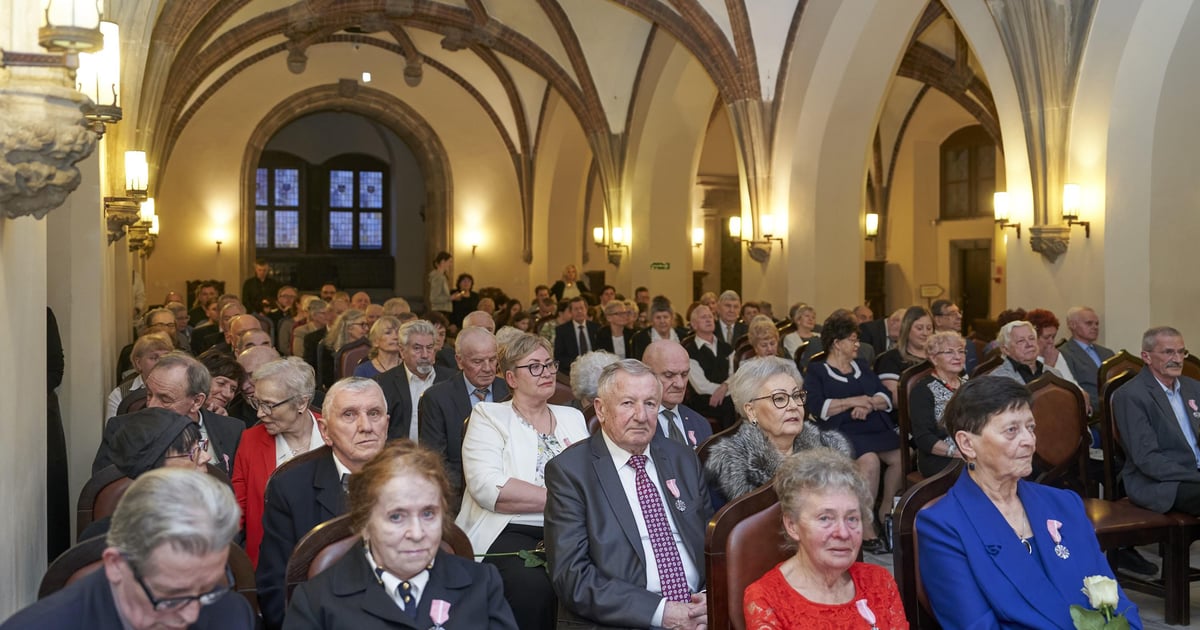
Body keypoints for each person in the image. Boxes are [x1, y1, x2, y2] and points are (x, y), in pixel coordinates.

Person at [917, 376, 1142, 629]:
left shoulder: (1064, 505)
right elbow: (975, 625)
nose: (1029, 441)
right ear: (968, 444)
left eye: (1030, 427)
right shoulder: (944, 525)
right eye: (1012, 430)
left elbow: (1116, 601)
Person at [545, 360, 710, 628]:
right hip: (624, 619)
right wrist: (661, 612)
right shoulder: (570, 472)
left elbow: (710, 546)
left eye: (650, 404)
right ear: (600, 409)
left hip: (700, 614)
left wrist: (708, 599)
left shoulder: (683, 460)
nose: (641, 416)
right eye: (627, 403)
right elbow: (572, 576)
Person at [285, 440, 519, 629]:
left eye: (428, 514)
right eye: (396, 516)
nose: (417, 533)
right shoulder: (316, 601)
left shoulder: (482, 585)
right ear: (365, 523)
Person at [2, 468, 254, 629]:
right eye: (172, 595)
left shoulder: (231, 615)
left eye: (209, 588)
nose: (191, 615)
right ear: (115, 564)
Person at [456, 334, 589, 630]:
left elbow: (594, 481)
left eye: (549, 364)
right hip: (508, 529)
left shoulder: (573, 417)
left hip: (572, 529)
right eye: (534, 367)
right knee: (534, 586)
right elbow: (489, 488)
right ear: (511, 378)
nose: (547, 373)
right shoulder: (489, 416)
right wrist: (567, 499)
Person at [256, 377, 390, 630]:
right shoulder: (290, 487)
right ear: (326, 432)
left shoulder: (416, 478)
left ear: (387, 423)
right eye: (350, 415)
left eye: (374, 413)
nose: (366, 426)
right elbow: (276, 589)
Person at [743, 448, 907, 629]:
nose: (843, 533)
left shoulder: (880, 582)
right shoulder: (766, 599)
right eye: (825, 518)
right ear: (792, 525)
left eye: (852, 518)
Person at [804, 314, 899, 554]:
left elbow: (884, 397)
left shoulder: (861, 367)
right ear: (837, 343)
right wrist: (850, 402)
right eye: (853, 340)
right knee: (870, 461)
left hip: (871, 425)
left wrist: (866, 404)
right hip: (840, 430)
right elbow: (817, 407)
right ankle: (865, 523)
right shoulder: (818, 371)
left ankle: (885, 509)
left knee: (901, 455)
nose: (858, 345)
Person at [706, 356, 852, 504]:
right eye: (780, 399)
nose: (793, 405)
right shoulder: (730, 469)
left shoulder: (828, 451)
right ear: (751, 411)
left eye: (796, 396)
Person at [231, 358, 322, 566]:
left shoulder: (334, 433)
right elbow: (238, 508)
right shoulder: (250, 441)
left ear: (301, 402)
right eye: (257, 402)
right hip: (269, 563)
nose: (260, 413)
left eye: (269, 405)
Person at [95, 352, 243, 476]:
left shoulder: (232, 430)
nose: (152, 405)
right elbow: (105, 491)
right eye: (149, 394)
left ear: (197, 401)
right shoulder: (120, 428)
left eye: (165, 399)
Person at [80, 408, 211, 540]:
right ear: (154, 470)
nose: (206, 457)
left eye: (200, 447)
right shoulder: (104, 538)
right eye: (192, 452)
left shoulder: (218, 527)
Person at [418, 326, 510, 510]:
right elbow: (435, 461)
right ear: (459, 361)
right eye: (478, 361)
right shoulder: (436, 398)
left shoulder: (509, 391)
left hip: (508, 492)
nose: (488, 368)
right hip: (458, 495)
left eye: (493, 360)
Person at [1114, 326, 1200, 516]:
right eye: (1169, 352)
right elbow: (1147, 459)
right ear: (1146, 357)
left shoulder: (1194, 388)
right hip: (1160, 482)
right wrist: (1194, 476)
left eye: (1181, 352)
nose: (1177, 359)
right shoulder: (1131, 395)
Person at [373, 319, 455, 441]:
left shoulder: (452, 380)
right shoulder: (383, 383)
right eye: (417, 348)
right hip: (400, 455)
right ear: (402, 351)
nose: (425, 355)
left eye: (430, 348)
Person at [908, 331, 967, 477]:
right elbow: (923, 437)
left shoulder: (969, 386)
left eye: (961, 351)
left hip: (972, 450)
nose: (957, 357)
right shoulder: (923, 390)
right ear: (934, 358)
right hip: (941, 457)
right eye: (949, 352)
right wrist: (956, 453)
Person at [643, 340, 714, 449]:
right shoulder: (634, 423)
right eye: (669, 375)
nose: (680, 384)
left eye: (684, 374)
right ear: (646, 375)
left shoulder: (700, 424)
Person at [1057, 306, 1115, 411]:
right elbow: (1072, 389)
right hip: (1091, 414)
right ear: (1072, 325)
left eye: (1097, 324)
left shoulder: (1107, 353)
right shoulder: (1064, 353)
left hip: (1116, 408)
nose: (1095, 327)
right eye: (1089, 323)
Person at [107, 332, 173, 419]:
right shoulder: (120, 394)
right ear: (138, 363)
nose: (161, 362)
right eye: (154, 358)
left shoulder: (183, 388)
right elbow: (113, 430)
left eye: (166, 357)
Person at [874, 306, 933, 400]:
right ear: (906, 329)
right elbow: (894, 398)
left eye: (929, 328)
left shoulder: (939, 357)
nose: (925, 333)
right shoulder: (890, 359)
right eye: (919, 328)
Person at [991, 320, 1061, 384]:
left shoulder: (1055, 374)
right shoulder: (996, 379)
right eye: (1021, 341)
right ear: (1006, 350)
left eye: (1031, 338)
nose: (1029, 344)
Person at [317, 308, 367, 390]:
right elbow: (326, 379)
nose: (367, 329)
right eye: (362, 325)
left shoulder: (369, 347)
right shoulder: (328, 347)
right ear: (349, 327)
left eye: (366, 324)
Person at [1027, 308, 1078, 385]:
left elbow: (1072, 384)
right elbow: (1037, 390)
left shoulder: (1056, 355)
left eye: (1053, 337)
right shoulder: (1027, 359)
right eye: (1046, 337)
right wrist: (1049, 365)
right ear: (1033, 338)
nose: (1051, 342)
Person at [553, 295, 600, 376]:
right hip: (572, 370)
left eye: (582, 308)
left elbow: (601, 350)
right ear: (571, 312)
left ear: (586, 310)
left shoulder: (596, 328)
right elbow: (559, 356)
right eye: (576, 309)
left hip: (595, 369)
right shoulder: (562, 330)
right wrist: (577, 365)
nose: (579, 311)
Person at [630, 295, 688, 360]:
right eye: (658, 317)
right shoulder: (640, 338)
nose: (662, 321)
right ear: (651, 319)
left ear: (672, 318)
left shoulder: (684, 336)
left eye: (666, 317)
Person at [930, 299, 979, 374]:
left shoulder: (969, 345)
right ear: (938, 320)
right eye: (952, 314)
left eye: (959, 312)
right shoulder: (930, 347)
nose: (959, 316)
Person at [428, 251, 455, 318]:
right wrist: (451, 298)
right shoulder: (438, 277)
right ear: (443, 262)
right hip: (440, 310)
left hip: (442, 310)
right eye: (449, 261)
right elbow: (434, 298)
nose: (450, 264)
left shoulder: (441, 277)